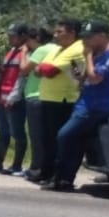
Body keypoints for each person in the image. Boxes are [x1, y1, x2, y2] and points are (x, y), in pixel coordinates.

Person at [45, 21, 109, 191]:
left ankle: (60, 176)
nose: (86, 41)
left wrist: (87, 55)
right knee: (76, 141)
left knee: (64, 136)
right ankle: (64, 180)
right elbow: (87, 78)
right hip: (84, 102)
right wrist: (78, 75)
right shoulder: (97, 53)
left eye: (90, 37)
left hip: (95, 106)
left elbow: (95, 78)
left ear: (102, 36)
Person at [31, 19, 84, 184]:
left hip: (63, 100)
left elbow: (49, 69)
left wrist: (42, 68)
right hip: (48, 98)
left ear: (72, 33)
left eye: (59, 32)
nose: (55, 35)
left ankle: (57, 174)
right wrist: (41, 68)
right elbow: (39, 69)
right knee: (46, 139)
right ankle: (45, 172)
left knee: (57, 140)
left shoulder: (78, 48)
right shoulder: (59, 49)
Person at [0, 23, 30, 174]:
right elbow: (8, 74)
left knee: (17, 133)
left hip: (14, 99)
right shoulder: (11, 51)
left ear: (23, 36)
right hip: (2, 97)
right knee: (2, 132)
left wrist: (14, 97)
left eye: (13, 35)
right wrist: (0, 71)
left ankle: (16, 165)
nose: (10, 37)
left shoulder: (26, 53)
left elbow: (22, 77)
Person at [21, 25, 58, 181]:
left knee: (36, 136)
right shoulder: (57, 48)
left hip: (35, 96)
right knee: (47, 136)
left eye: (28, 41)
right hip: (50, 96)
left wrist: (24, 53)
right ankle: (46, 168)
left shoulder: (41, 50)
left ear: (37, 39)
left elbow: (23, 69)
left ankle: (36, 167)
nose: (27, 44)